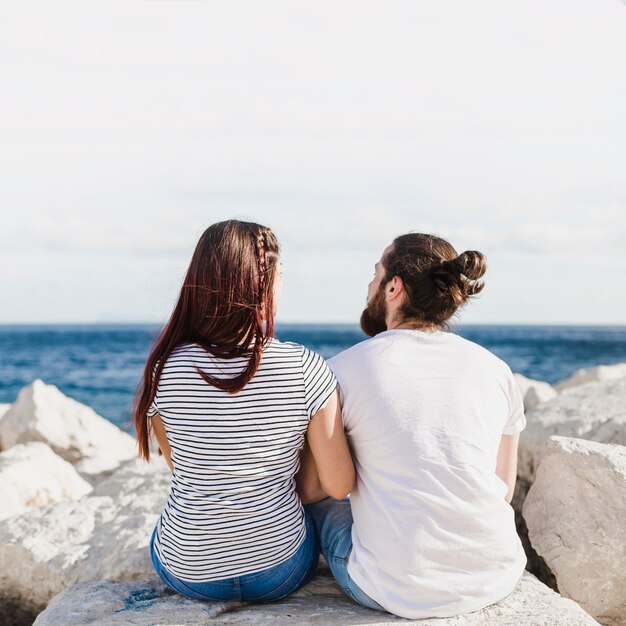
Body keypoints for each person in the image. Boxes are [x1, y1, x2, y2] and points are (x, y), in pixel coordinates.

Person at [299, 232, 527, 620]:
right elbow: (503, 489)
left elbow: (311, 488)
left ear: (393, 287)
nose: (369, 284)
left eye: (375, 275)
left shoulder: (341, 370)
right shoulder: (496, 370)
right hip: (494, 574)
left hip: (391, 588)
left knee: (322, 504)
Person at [132, 219, 355, 603]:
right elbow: (338, 485)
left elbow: (183, 465)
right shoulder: (304, 366)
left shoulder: (164, 369)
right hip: (278, 571)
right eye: (280, 274)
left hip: (188, 571)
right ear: (264, 284)